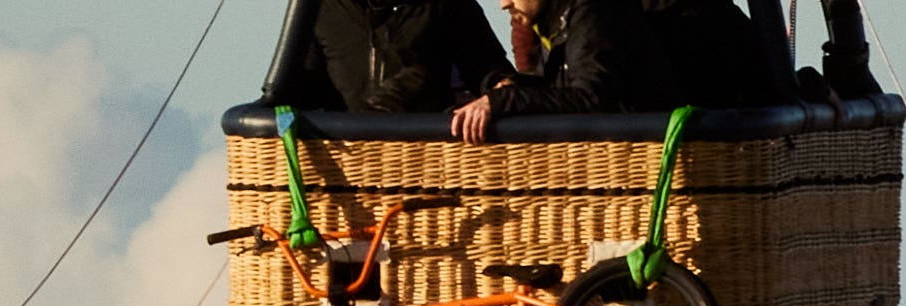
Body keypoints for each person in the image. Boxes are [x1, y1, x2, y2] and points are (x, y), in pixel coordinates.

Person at [447, 0, 783, 139]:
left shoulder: (593, 14)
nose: (504, 3)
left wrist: (503, 102)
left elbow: (591, 96)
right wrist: (511, 89)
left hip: (654, 163)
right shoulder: (564, 22)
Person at [275, 0, 511, 115]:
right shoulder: (320, 8)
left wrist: (492, 102)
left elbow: (495, 77)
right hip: (344, 172)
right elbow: (298, 92)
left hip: (421, 164)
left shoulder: (446, 5)